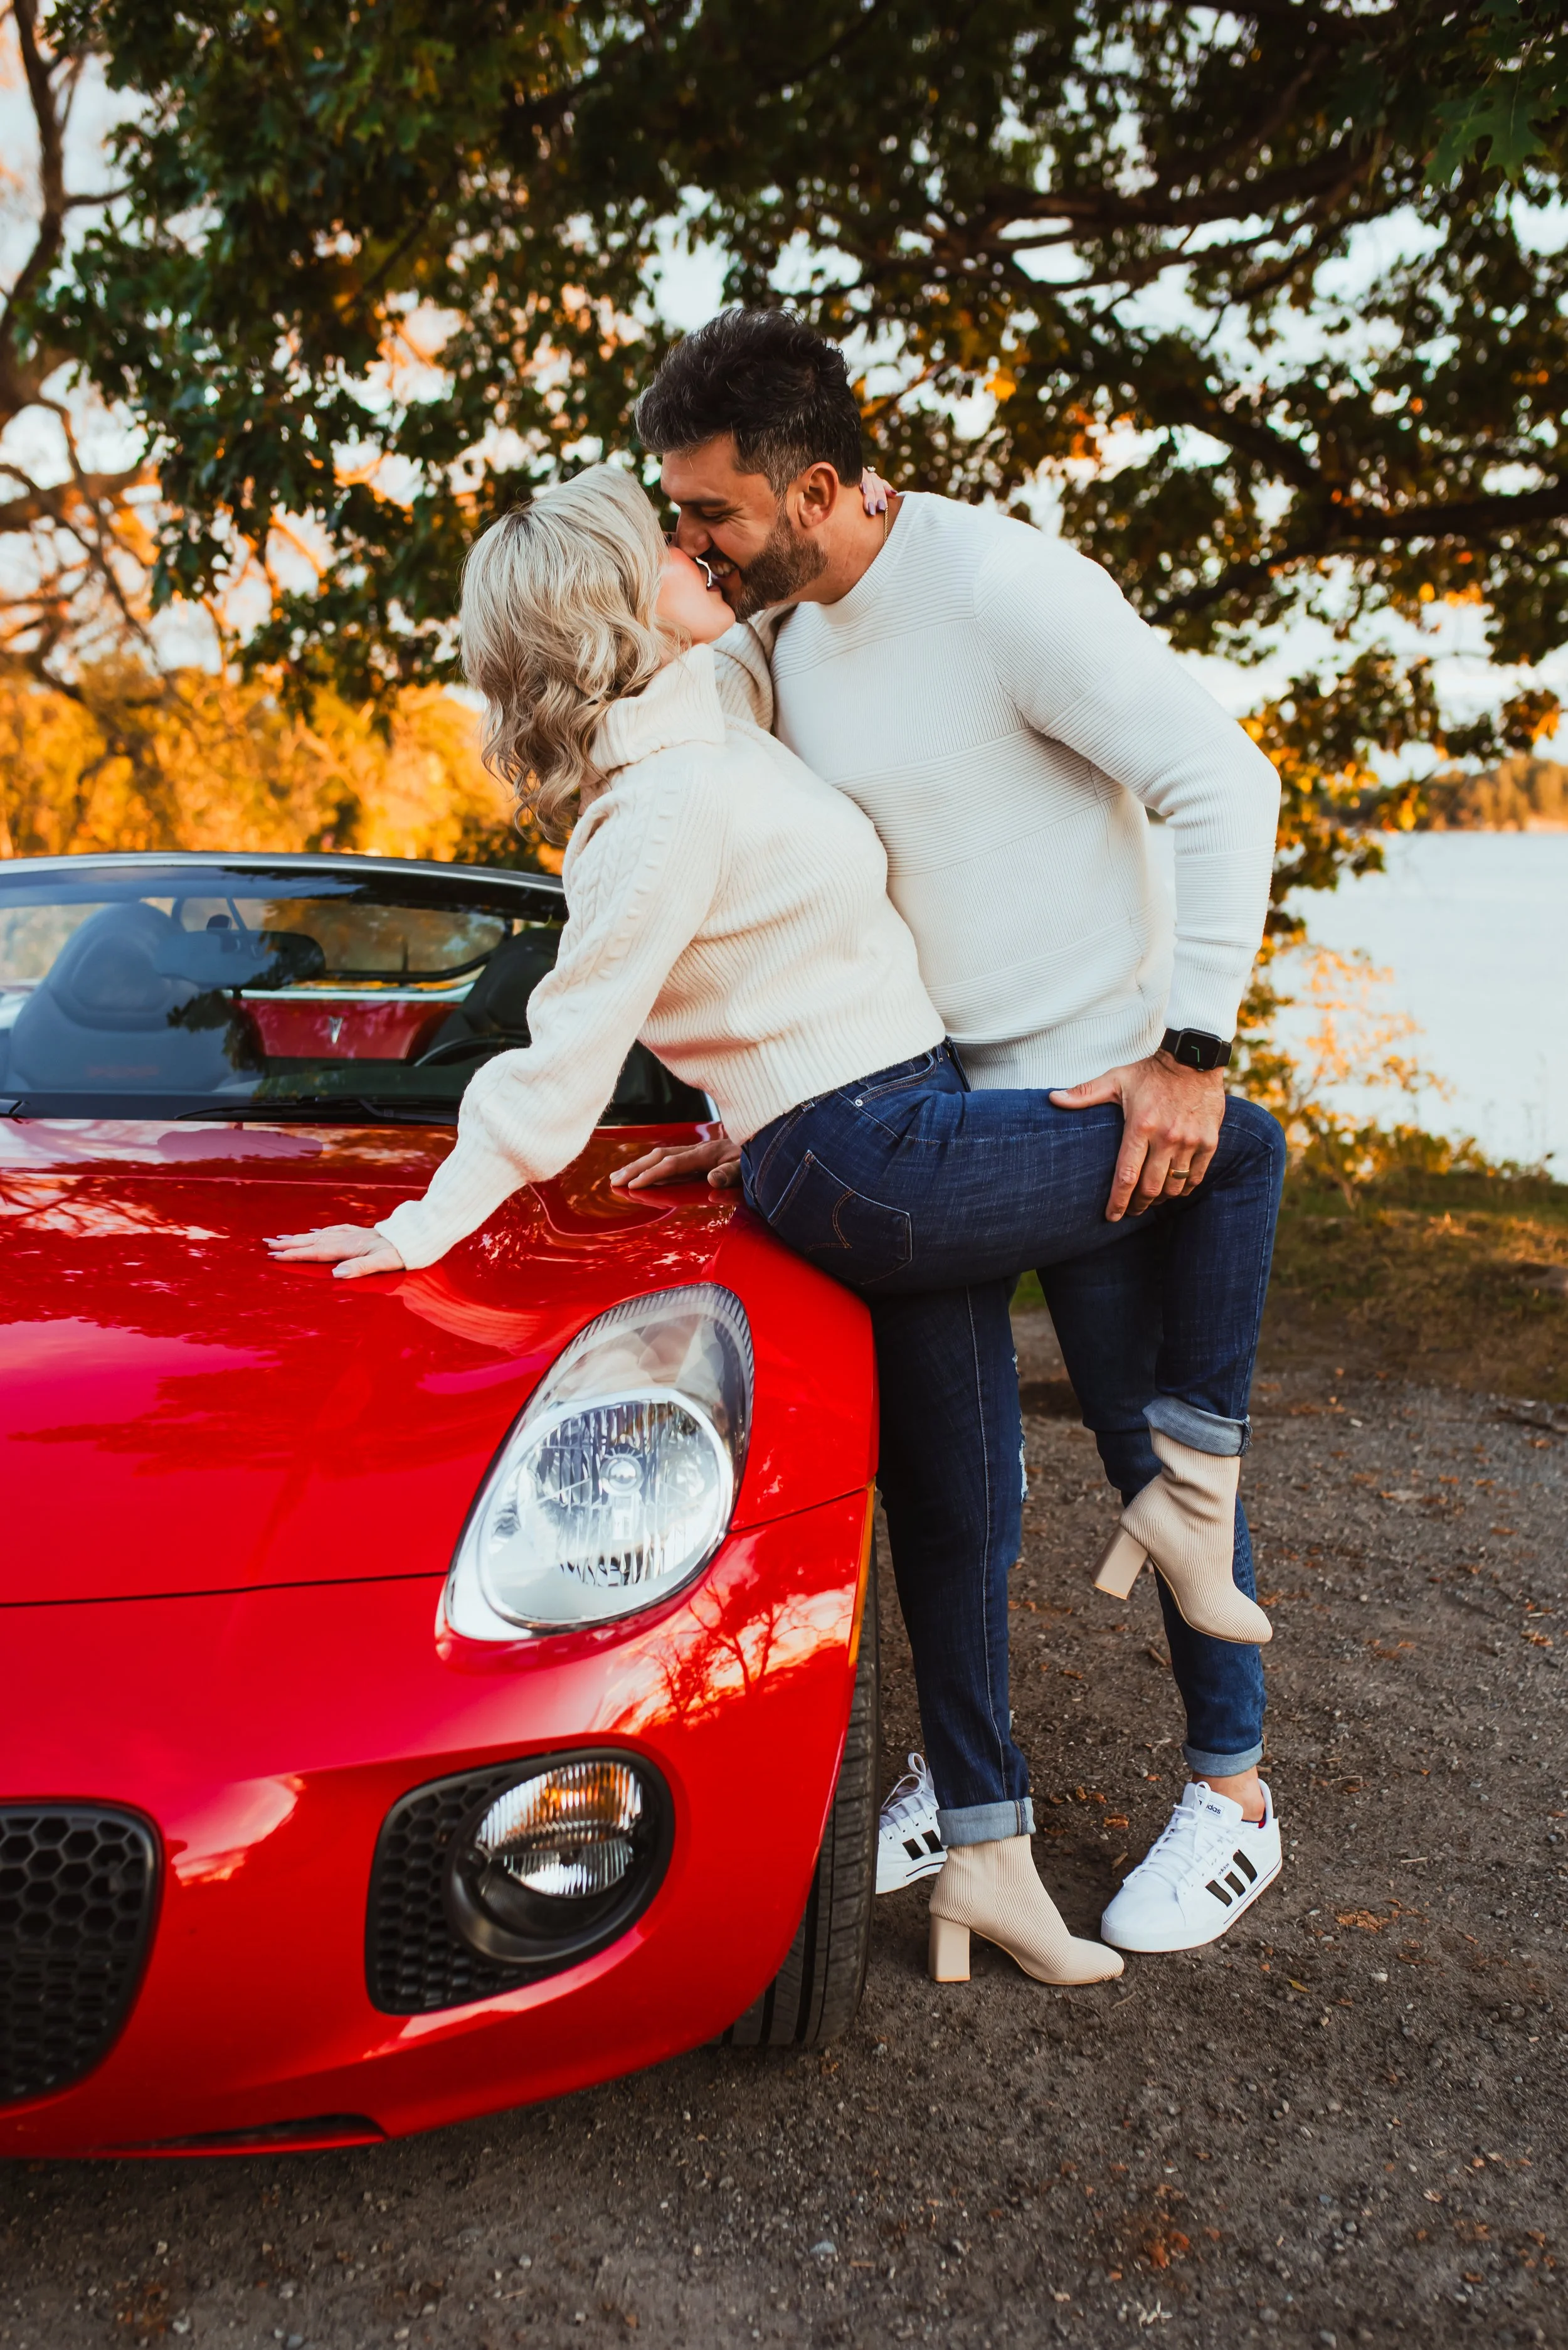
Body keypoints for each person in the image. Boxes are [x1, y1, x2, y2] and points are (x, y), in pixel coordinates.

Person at [265, 460, 1282, 1987]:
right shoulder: (650, 802)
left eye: (698, 523)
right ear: (619, 609)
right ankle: (1187, 1494)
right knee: (1234, 1141)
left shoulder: (711, 710)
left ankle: (987, 1854)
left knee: (954, 1497)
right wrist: (429, 1221)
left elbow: (750, 928)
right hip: (881, 1149)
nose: (694, 551)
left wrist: (721, 1120)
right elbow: (563, 1042)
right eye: (662, 543)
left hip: (874, 1130)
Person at [621, 308, 1290, 1958]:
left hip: (1104, 1114)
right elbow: (784, 893)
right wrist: (760, 1100)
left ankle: (1230, 1793)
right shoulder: (778, 647)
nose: (685, 540)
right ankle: (978, 1795)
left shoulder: (1001, 592)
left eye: (708, 510)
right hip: (924, 1114)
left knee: (1156, 1466)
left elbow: (1224, 780)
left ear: (820, 483)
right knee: (944, 1488)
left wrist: (1191, 1054)